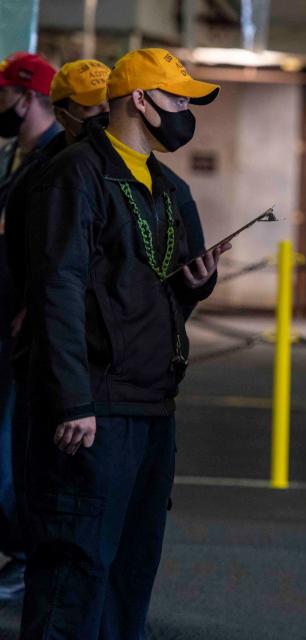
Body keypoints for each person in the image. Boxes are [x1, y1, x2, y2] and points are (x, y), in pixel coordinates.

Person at [19, 48, 225, 639]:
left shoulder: (165, 184)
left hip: (151, 402)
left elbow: (157, 287)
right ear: (140, 99)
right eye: (179, 97)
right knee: (74, 570)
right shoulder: (75, 173)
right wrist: (73, 400)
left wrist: (197, 283)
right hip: (95, 408)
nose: (186, 111)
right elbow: (57, 288)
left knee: (131, 573)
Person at [0, 51, 58, 603]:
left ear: (27, 97)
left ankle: (23, 556)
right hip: (7, 323)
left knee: (10, 450)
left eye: (3, 95)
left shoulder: (52, 162)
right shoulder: (19, 158)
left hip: (21, 332)